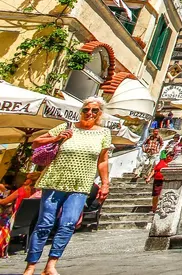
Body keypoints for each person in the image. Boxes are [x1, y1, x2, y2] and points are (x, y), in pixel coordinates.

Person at [24, 96, 111, 275]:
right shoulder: (67, 127)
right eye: (86, 109)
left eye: (94, 110)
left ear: (99, 113)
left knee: (68, 224)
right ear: (81, 111)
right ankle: (31, 266)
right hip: (55, 181)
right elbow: (35, 143)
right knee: (44, 224)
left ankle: (51, 265)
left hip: (80, 185)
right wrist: (56, 138)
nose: (89, 113)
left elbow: (102, 161)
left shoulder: (104, 133)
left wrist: (105, 184)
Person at [0, 173, 40, 258]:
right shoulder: (37, 192)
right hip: (25, 222)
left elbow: (4, 202)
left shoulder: (22, 189)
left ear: (31, 181)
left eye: (27, 179)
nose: (25, 180)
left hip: (12, 220)